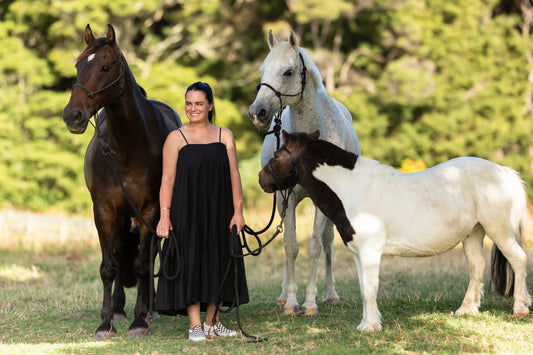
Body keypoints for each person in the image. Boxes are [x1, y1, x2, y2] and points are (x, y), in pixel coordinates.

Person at [155, 82, 249, 341]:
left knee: (219, 261)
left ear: (210, 105)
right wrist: (164, 216)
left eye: (198, 103)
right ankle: (195, 325)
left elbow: (234, 174)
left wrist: (238, 211)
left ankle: (212, 322)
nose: (192, 108)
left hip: (220, 210)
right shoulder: (176, 138)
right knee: (190, 263)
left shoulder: (225, 136)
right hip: (186, 212)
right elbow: (168, 179)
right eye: (188, 103)